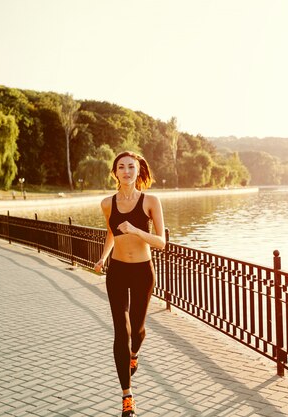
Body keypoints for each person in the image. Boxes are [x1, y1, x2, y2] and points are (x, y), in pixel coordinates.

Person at [94, 151, 166, 417]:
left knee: (137, 329)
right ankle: (127, 396)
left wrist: (136, 230)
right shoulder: (106, 203)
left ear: (138, 171)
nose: (126, 171)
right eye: (121, 167)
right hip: (118, 270)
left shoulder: (150, 201)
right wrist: (103, 257)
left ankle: (134, 352)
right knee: (120, 332)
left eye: (131, 167)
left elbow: (161, 241)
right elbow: (111, 233)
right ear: (115, 172)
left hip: (143, 272)